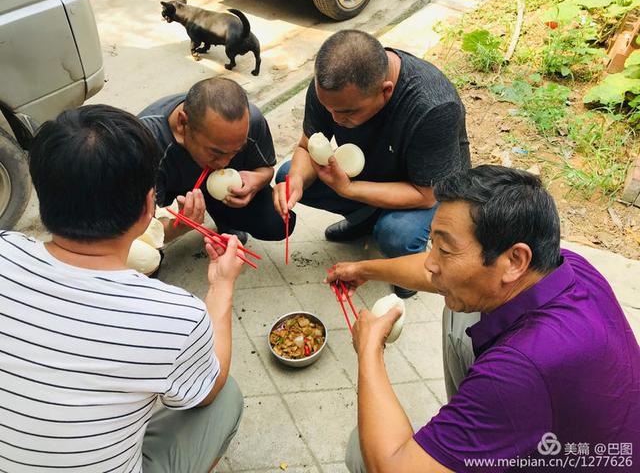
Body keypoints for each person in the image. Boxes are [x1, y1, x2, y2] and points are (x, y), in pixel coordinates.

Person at [326, 166, 640, 472]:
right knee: (459, 308)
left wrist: (369, 350)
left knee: (362, 453)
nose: (432, 263)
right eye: (433, 244)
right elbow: (432, 271)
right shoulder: (564, 267)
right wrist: (363, 269)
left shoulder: (518, 371)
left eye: (445, 250)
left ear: (515, 260)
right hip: (587, 432)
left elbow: (391, 466)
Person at [0, 105, 245, 472]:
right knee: (224, 398)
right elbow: (209, 389)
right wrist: (221, 286)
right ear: (150, 204)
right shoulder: (176, 315)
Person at [274, 29, 470, 298]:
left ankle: (405, 268)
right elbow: (306, 146)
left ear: (385, 91)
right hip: (372, 170)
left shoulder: (432, 106)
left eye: (346, 112)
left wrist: (349, 190)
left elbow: (426, 195)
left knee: (395, 233)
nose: (334, 118)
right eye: (327, 108)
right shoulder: (331, 88)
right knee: (286, 174)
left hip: (428, 185)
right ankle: (364, 221)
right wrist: (295, 180)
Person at [139, 77, 295, 245]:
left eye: (236, 151)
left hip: (224, 191)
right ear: (182, 123)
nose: (224, 163)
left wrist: (256, 181)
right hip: (169, 191)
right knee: (144, 257)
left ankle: (224, 217)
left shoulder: (251, 122)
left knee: (279, 222)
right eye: (215, 152)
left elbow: (265, 168)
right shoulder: (144, 146)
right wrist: (180, 226)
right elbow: (139, 231)